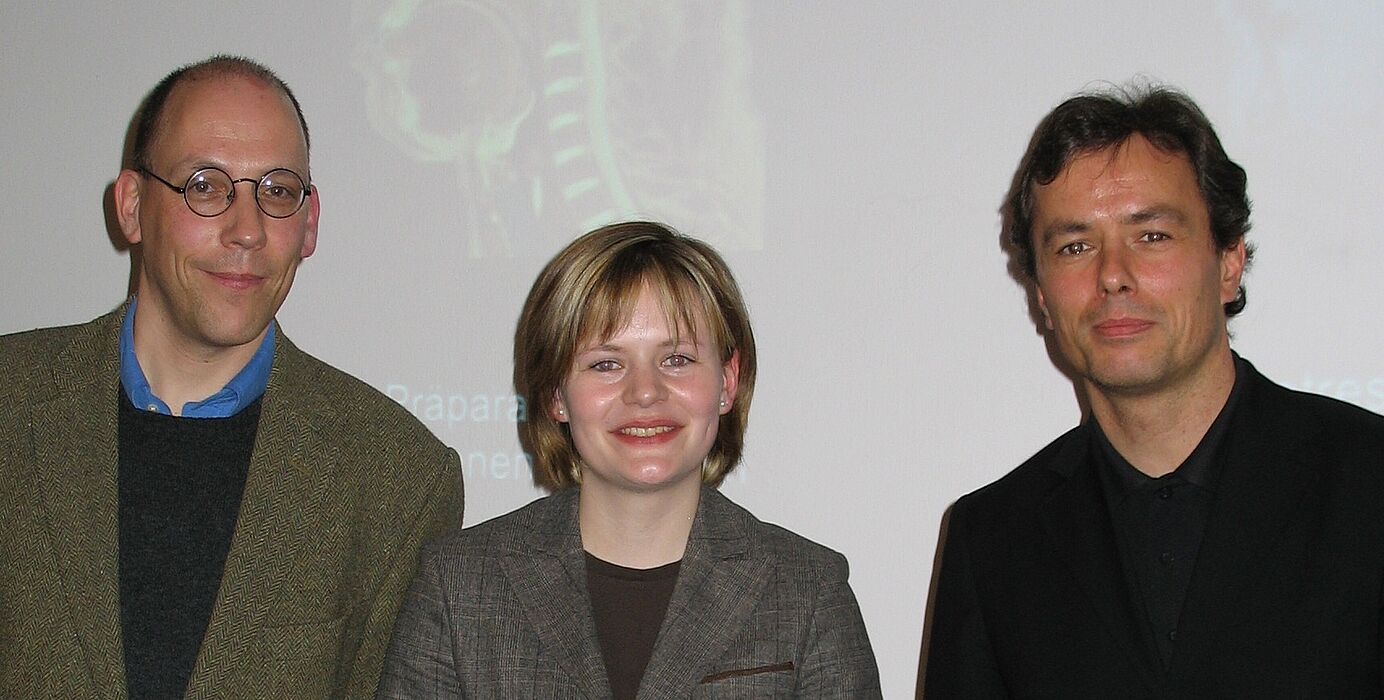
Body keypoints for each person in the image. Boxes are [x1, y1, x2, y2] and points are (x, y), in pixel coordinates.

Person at [0, 55, 462, 699]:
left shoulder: (397, 475)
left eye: (275, 191)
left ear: (310, 223)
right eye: (206, 186)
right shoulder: (10, 404)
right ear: (132, 206)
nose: (247, 230)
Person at [924, 85, 1384, 697]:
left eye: (1152, 237)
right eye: (1075, 246)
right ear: (1041, 296)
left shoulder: (1368, 481)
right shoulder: (993, 540)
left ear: (1229, 262)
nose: (1113, 275)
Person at [378, 221, 881, 698]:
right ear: (556, 393)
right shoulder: (458, 586)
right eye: (606, 364)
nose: (645, 392)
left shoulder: (809, 592)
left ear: (727, 382)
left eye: (677, 359)